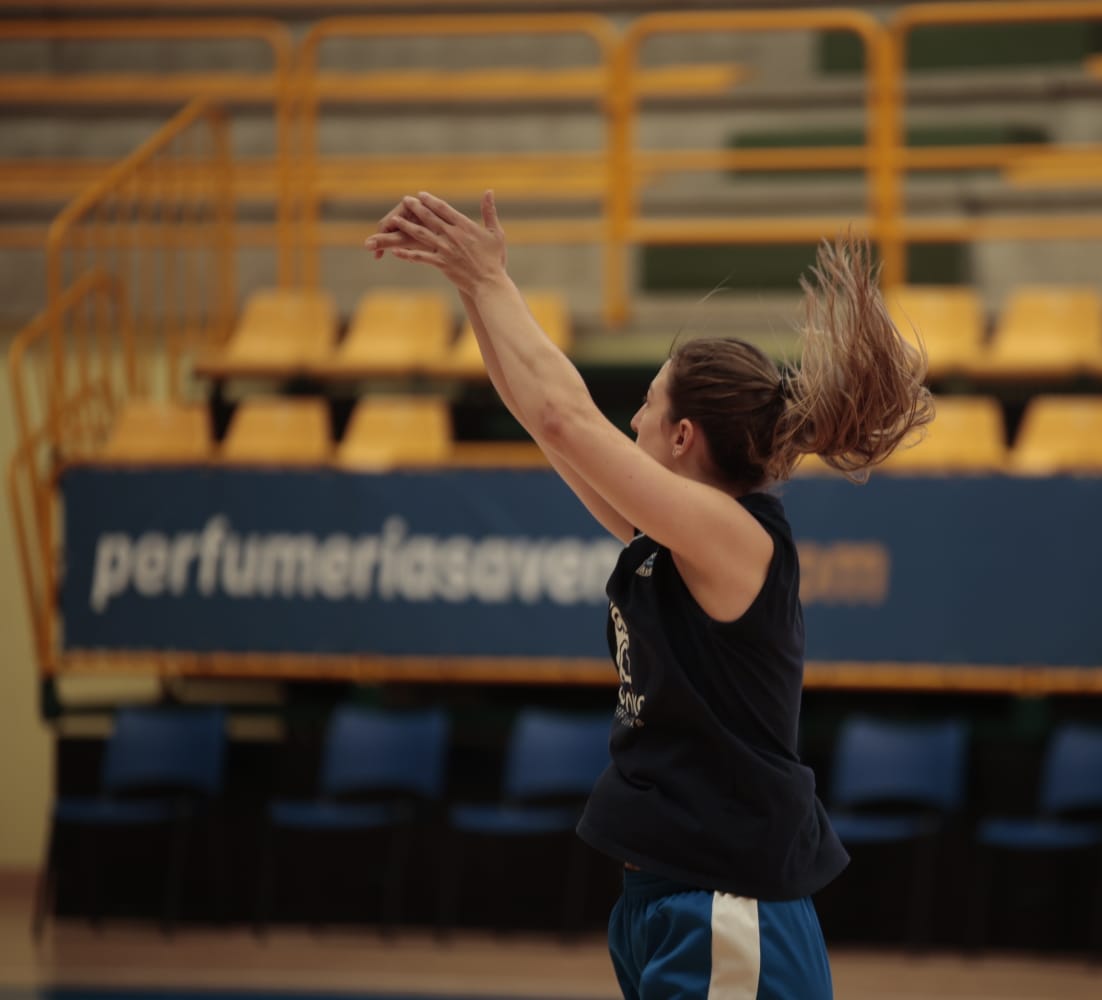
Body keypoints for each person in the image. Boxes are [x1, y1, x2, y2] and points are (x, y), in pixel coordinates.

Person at [365, 191, 933, 999]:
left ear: (682, 436)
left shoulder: (737, 538)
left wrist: (492, 280)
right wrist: (472, 286)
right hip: (670, 899)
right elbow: (542, 414)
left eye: (647, 402)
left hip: (727, 908)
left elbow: (569, 421)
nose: (628, 419)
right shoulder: (669, 538)